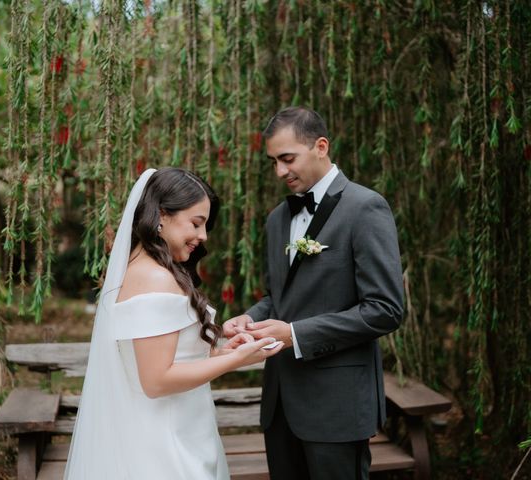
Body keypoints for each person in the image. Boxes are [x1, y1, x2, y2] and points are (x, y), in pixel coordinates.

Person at [64, 167, 283, 480]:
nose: (204, 236)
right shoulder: (154, 277)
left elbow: (174, 357)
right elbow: (156, 380)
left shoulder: (144, 269)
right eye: (196, 223)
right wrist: (235, 360)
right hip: (165, 444)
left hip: (181, 429)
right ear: (162, 215)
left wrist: (222, 351)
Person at [224, 107, 404, 480]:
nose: (280, 172)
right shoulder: (277, 219)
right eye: (273, 161)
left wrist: (294, 335)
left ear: (321, 146)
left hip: (336, 405)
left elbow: (385, 309)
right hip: (280, 404)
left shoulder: (365, 208)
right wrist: (252, 317)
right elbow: (279, 297)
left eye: (287, 159)